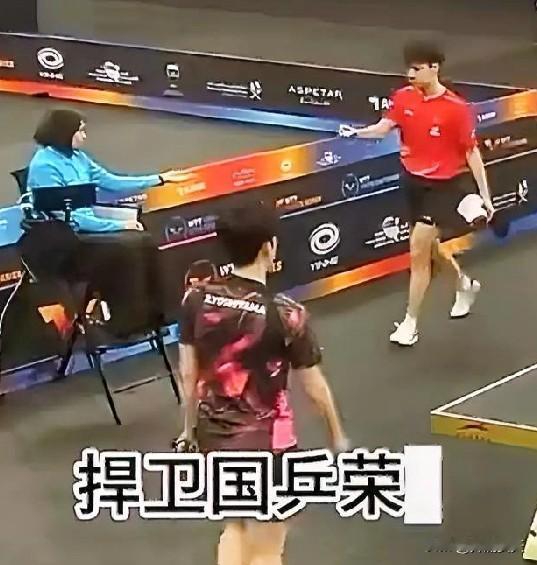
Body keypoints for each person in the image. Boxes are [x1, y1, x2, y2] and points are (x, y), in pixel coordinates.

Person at [177, 202, 348, 565]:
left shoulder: (195, 300)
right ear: (269, 248)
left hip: (214, 437)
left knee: (235, 526)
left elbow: (188, 375)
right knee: (269, 548)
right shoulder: (287, 315)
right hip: (270, 445)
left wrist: (189, 431)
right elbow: (315, 389)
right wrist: (337, 438)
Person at [339, 40, 494, 346]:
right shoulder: (403, 97)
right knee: (429, 246)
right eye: (408, 68)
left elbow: (471, 153)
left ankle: (410, 324)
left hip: (443, 186)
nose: (410, 74)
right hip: (412, 181)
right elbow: (383, 127)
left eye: (416, 69)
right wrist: (357, 133)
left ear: (434, 68)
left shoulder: (456, 108)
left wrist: (485, 196)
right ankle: (464, 284)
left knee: (417, 252)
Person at [26, 108, 186, 232]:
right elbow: (63, 216)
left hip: (90, 219)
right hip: (68, 231)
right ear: (65, 133)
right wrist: (118, 225)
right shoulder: (44, 167)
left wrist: (159, 179)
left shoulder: (79, 157)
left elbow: (112, 182)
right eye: (80, 131)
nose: (84, 136)